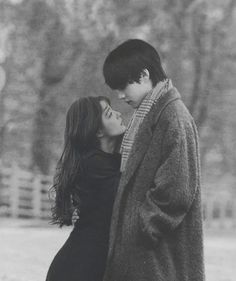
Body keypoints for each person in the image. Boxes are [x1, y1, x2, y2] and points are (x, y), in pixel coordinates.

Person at [102, 39, 205, 281]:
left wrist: (141, 226)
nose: (119, 95)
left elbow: (176, 189)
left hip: (158, 255)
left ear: (144, 74)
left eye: (123, 85)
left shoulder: (174, 116)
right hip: (143, 254)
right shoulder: (147, 114)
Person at [45, 96, 126, 281]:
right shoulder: (92, 165)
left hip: (85, 264)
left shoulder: (107, 162)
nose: (118, 114)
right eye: (109, 114)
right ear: (98, 130)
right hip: (77, 270)